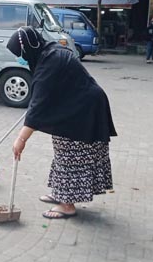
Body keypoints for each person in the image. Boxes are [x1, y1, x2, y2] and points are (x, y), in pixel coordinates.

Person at [8, 26, 117, 219]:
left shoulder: (50, 61)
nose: (20, 58)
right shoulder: (48, 52)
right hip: (74, 106)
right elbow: (42, 95)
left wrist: (21, 139)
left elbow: (39, 105)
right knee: (62, 149)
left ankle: (67, 205)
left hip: (85, 109)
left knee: (71, 154)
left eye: (20, 54)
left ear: (27, 49)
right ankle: (61, 193)